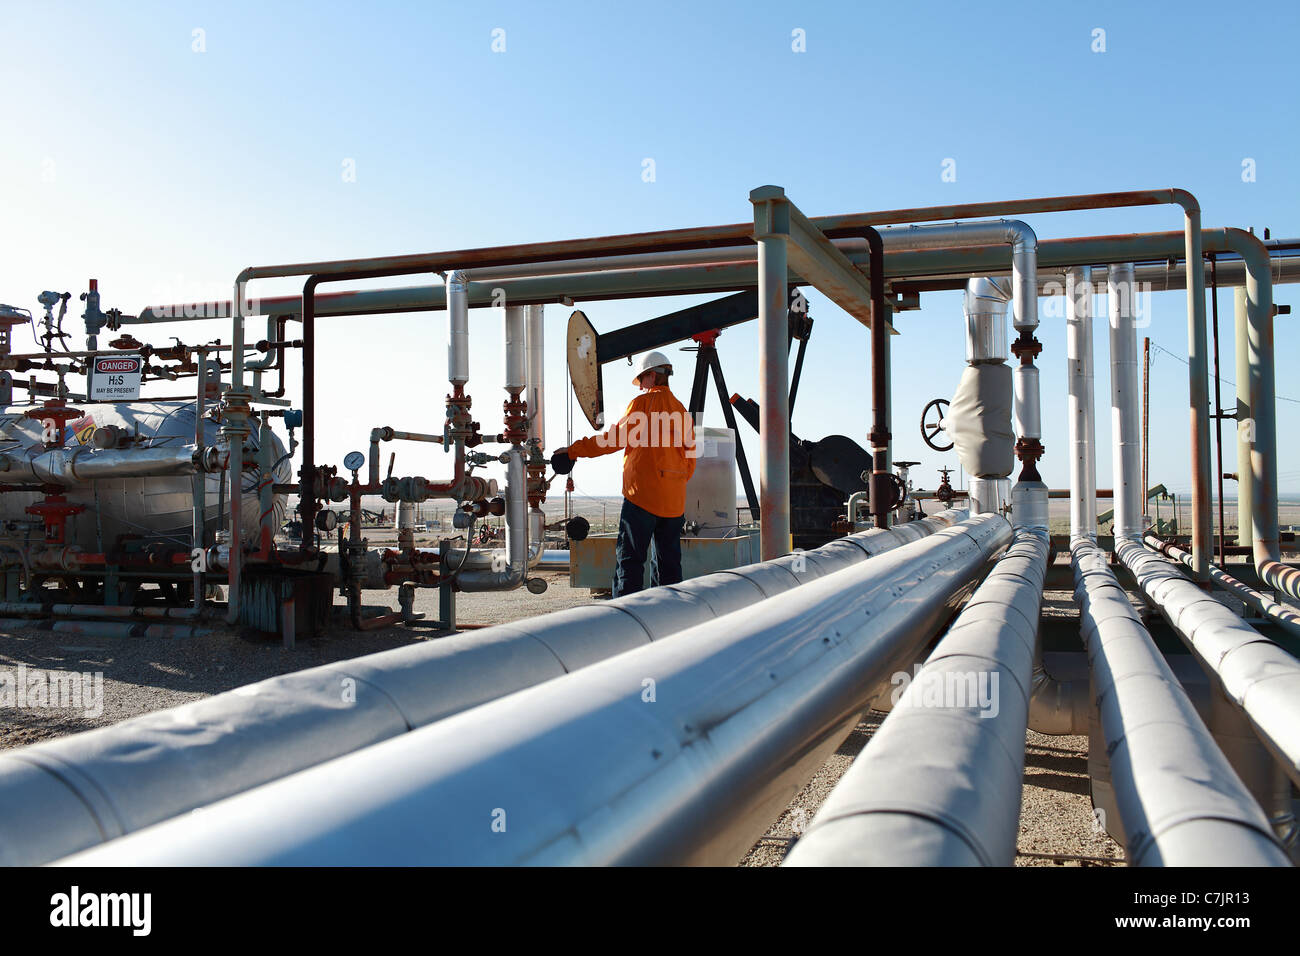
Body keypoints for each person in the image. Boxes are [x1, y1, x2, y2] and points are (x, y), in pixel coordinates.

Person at [552, 351, 696, 597]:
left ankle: (628, 618)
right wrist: (674, 481)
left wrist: (573, 451)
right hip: (674, 502)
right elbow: (691, 457)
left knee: (629, 562)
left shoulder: (642, 405)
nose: (640, 385)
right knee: (669, 567)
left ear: (652, 375)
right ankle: (671, 617)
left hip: (642, 497)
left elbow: (611, 440)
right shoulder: (682, 411)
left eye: (641, 379)